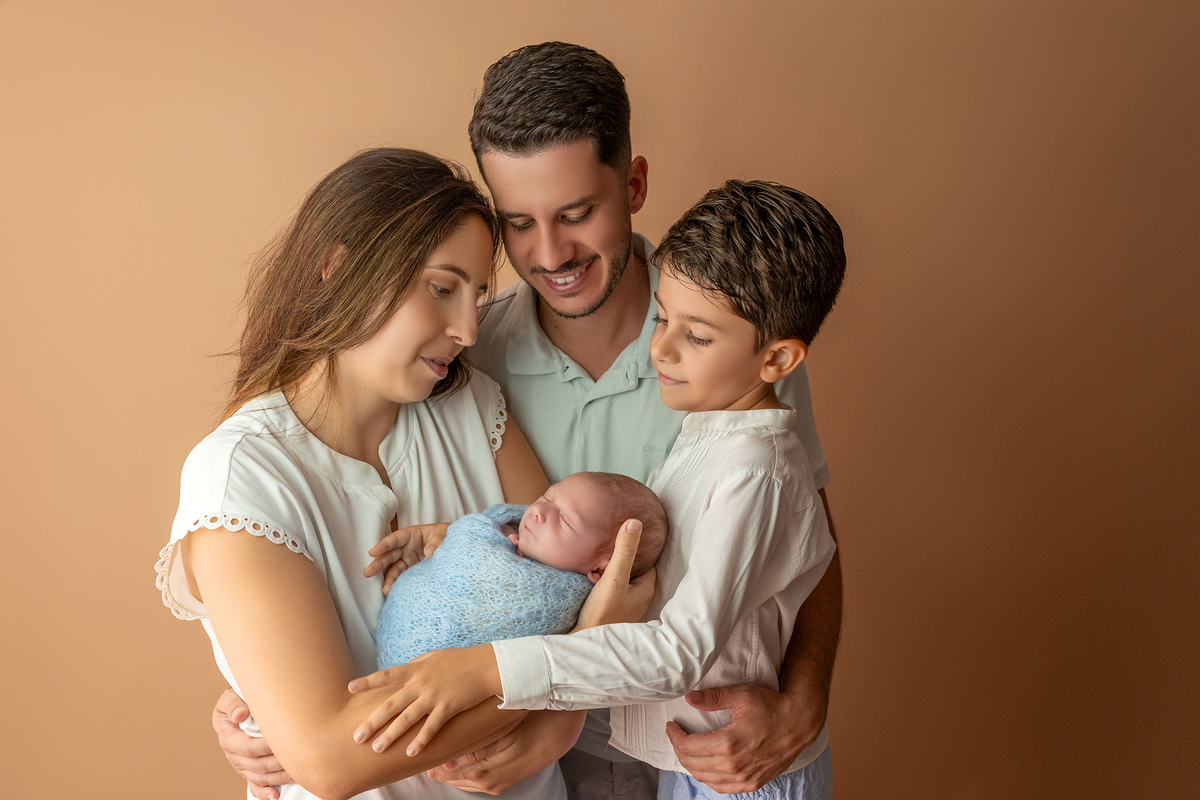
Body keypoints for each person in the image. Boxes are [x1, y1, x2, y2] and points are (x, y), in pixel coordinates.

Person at [216, 42, 844, 800]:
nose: (551, 256)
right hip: (540, 759)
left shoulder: (733, 342)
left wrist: (805, 699)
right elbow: (393, 553)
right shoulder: (460, 364)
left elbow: (806, 543)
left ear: (634, 183)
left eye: (577, 214)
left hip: (698, 750)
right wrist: (262, 701)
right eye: (519, 224)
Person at [156, 147, 652, 800]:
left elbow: (595, 580)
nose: (470, 329)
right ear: (339, 270)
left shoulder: (474, 409)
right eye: (443, 289)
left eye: (477, 296)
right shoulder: (242, 477)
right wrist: (562, 684)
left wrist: (556, 714)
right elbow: (332, 758)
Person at [348, 178, 845, 800]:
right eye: (662, 318)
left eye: (696, 336)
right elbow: (629, 559)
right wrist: (468, 536)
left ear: (776, 362)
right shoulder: (710, 433)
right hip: (680, 763)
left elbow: (678, 652)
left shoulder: (755, 468)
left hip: (735, 774)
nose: (660, 348)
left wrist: (488, 671)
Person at [372, 472, 667, 667]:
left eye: (565, 521)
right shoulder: (513, 533)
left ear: (601, 570)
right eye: (547, 498)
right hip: (408, 627)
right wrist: (499, 535)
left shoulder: (561, 603)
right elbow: (467, 543)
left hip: (436, 671)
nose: (538, 511)